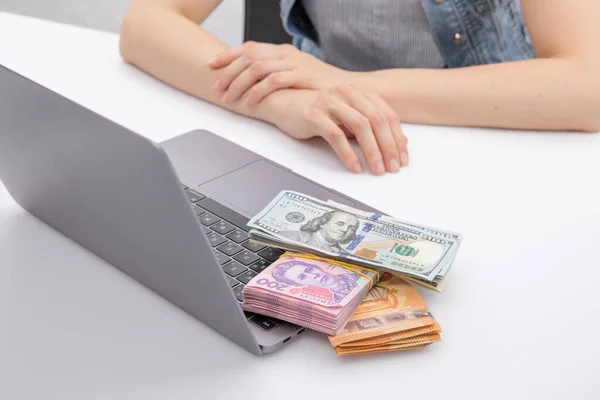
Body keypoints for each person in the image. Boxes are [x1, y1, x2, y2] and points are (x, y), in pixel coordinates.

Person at [119, 0, 600, 176]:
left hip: (494, 142)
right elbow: (146, 23)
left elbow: (587, 86)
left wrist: (348, 83)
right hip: (340, 145)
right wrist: (284, 102)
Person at [270, 258, 359, 303]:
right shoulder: (337, 301)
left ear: (317, 266)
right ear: (301, 285)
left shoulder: (357, 275)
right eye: (302, 277)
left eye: (309, 270)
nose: (314, 275)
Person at [279, 211, 359, 254]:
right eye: (340, 224)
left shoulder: (344, 255)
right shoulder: (293, 237)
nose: (344, 230)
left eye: (351, 229)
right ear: (323, 223)